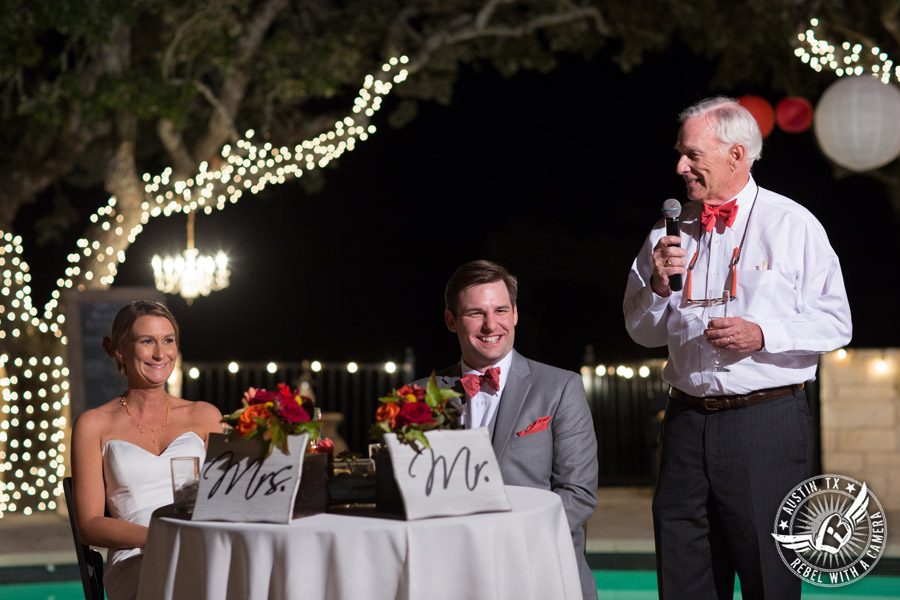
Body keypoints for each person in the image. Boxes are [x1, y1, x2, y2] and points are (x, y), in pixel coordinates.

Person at [623, 97, 852, 599]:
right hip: (683, 422)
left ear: (736, 154)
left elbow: (837, 323)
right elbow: (641, 331)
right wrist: (658, 286)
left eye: (692, 155)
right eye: (680, 154)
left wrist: (763, 335)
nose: (680, 166)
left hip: (764, 423)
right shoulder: (669, 230)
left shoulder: (793, 225)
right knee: (683, 574)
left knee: (768, 576)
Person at [418, 260, 599, 600]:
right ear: (451, 320)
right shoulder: (420, 398)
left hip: (539, 570)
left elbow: (578, 494)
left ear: (514, 314)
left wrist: (503, 540)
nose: (491, 325)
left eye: (500, 310)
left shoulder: (561, 387)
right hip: (449, 575)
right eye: (475, 313)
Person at [71, 300, 223, 600]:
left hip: (203, 550)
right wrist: (164, 537)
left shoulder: (206, 416)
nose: (160, 353)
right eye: (147, 341)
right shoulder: (93, 424)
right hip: (136, 559)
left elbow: (229, 497)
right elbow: (89, 525)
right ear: (119, 350)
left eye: (168, 340)